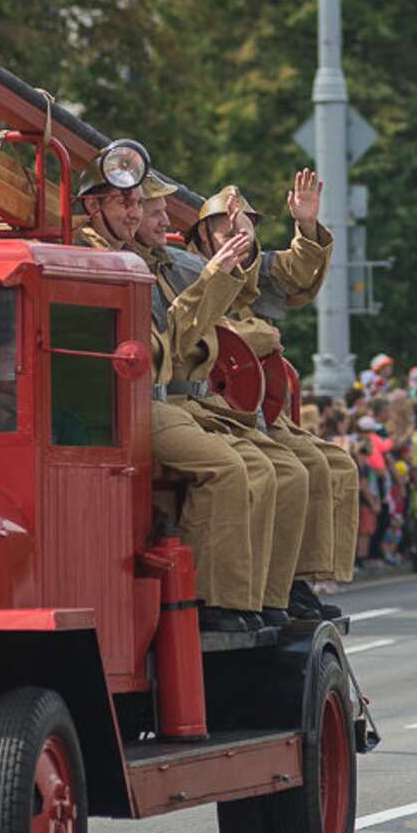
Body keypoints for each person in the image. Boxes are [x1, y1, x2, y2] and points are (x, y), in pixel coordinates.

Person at [73, 148, 272, 632]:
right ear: (94, 206)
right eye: (125, 203)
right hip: (127, 407)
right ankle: (210, 601)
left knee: (268, 470)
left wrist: (220, 273)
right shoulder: (91, 257)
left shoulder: (137, 257)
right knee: (228, 469)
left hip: (157, 399)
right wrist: (212, 278)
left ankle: (258, 597)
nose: (137, 213)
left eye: (140, 203)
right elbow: (165, 342)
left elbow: (178, 331)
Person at [186, 172, 359, 619]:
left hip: (262, 412)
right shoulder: (190, 272)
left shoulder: (255, 270)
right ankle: (261, 592)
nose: (240, 237)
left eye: (246, 229)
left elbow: (300, 273)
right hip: (216, 408)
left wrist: (306, 226)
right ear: (203, 236)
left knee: (335, 464)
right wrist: (258, 335)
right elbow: (196, 331)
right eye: (228, 229)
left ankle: (299, 581)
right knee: (282, 473)